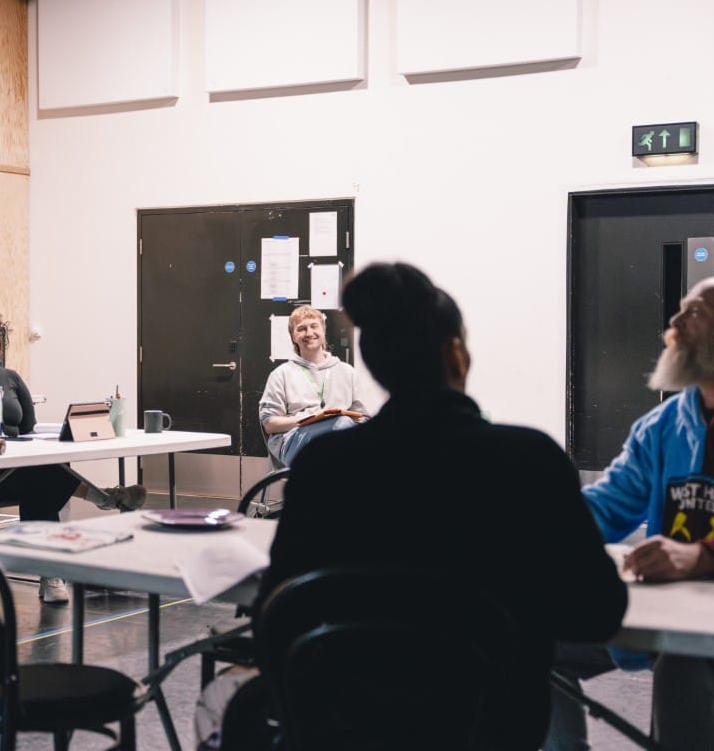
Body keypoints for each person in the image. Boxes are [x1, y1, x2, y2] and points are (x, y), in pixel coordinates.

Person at [241, 263, 628, 750]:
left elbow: (280, 611)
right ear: (457, 355)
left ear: (377, 367)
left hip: (356, 723)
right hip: (493, 724)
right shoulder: (529, 459)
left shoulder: (326, 469)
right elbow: (598, 612)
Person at [546, 275, 714, 751]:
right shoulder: (664, 425)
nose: (672, 324)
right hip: (670, 617)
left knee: (685, 661)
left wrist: (698, 557)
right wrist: (531, 532)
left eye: (693, 313)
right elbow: (607, 505)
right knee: (533, 637)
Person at [0, 312, 147, 605]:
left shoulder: (11, 378)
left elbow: (29, 428)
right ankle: (99, 504)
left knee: (43, 474)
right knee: (39, 478)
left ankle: (54, 568)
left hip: (12, 469)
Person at [257, 305, 367, 467]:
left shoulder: (347, 372)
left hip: (340, 439)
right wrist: (305, 420)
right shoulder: (281, 374)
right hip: (295, 441)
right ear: (293, 337)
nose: (309, 333)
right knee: (342, 429)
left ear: (323, 331)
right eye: (301, 329)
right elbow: (270, 424)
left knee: (346, 429)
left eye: (314, 326)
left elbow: (362, 417)